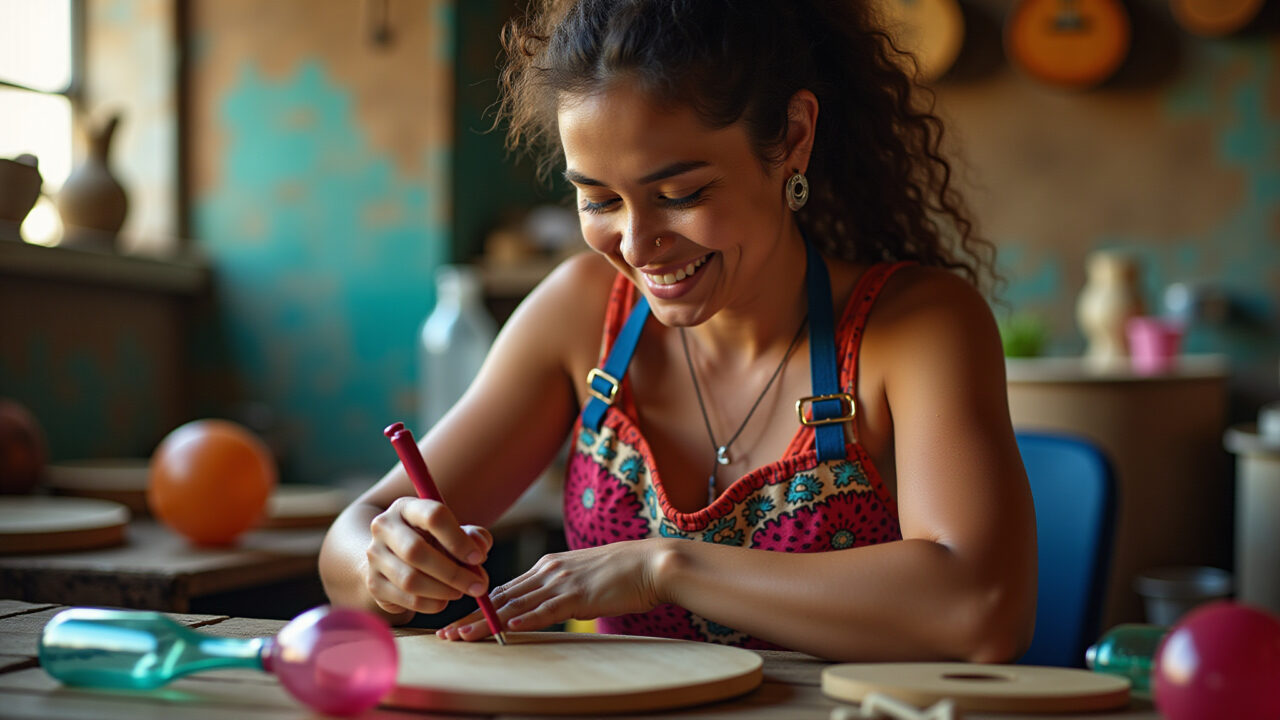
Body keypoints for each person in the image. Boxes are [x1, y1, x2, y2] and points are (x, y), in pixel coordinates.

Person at [319, 0, 1037, 662]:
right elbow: (352, 539)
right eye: (598, 200)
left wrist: (664, 566)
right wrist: (386, 561)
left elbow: (981, 608)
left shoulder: (915, 326)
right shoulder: (582, 314)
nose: (635, 244)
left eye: (680, 195)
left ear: (792, 138)